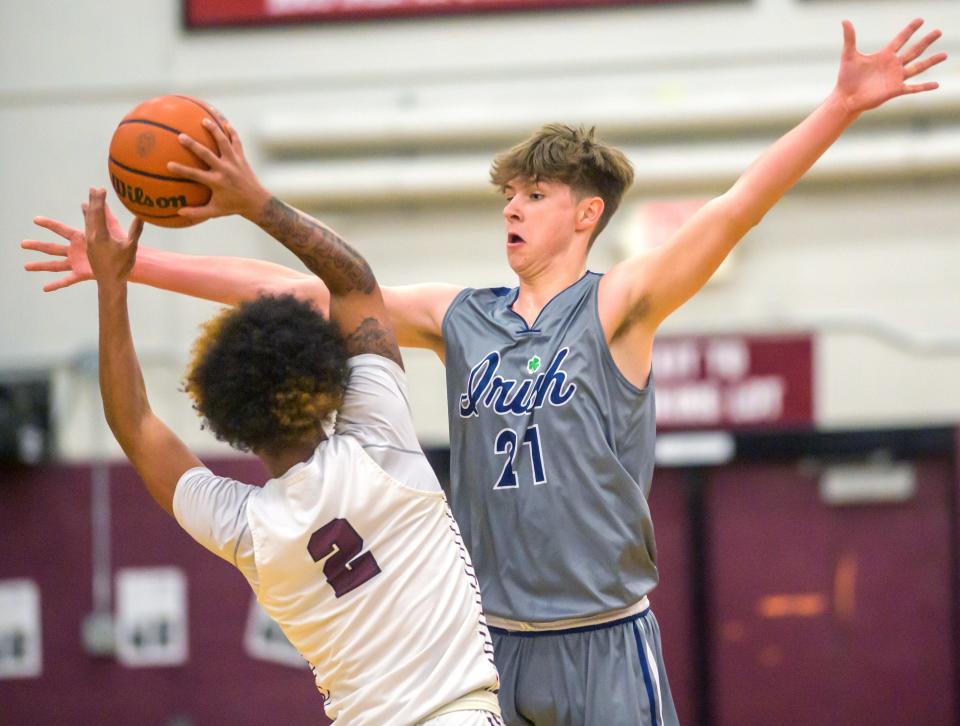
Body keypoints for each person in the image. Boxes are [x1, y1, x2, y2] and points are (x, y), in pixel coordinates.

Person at [25, 19, 945, 725]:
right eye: (507, 195)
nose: (513, 208)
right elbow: (301, 289)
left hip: (606, 632)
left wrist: (840, 108)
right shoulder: (463, 317)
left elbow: (735, 210)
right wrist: (134, 265)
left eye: (534, 196)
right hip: (492, 648)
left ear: (586, 214)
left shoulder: (619, 304)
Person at [74, 186, 502, 725]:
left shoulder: (249, 531)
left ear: (231, 422)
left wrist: (111, 285)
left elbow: (134, 424)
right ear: (324, 379)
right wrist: (251, 199)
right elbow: (354, 282)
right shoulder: (377, 443)